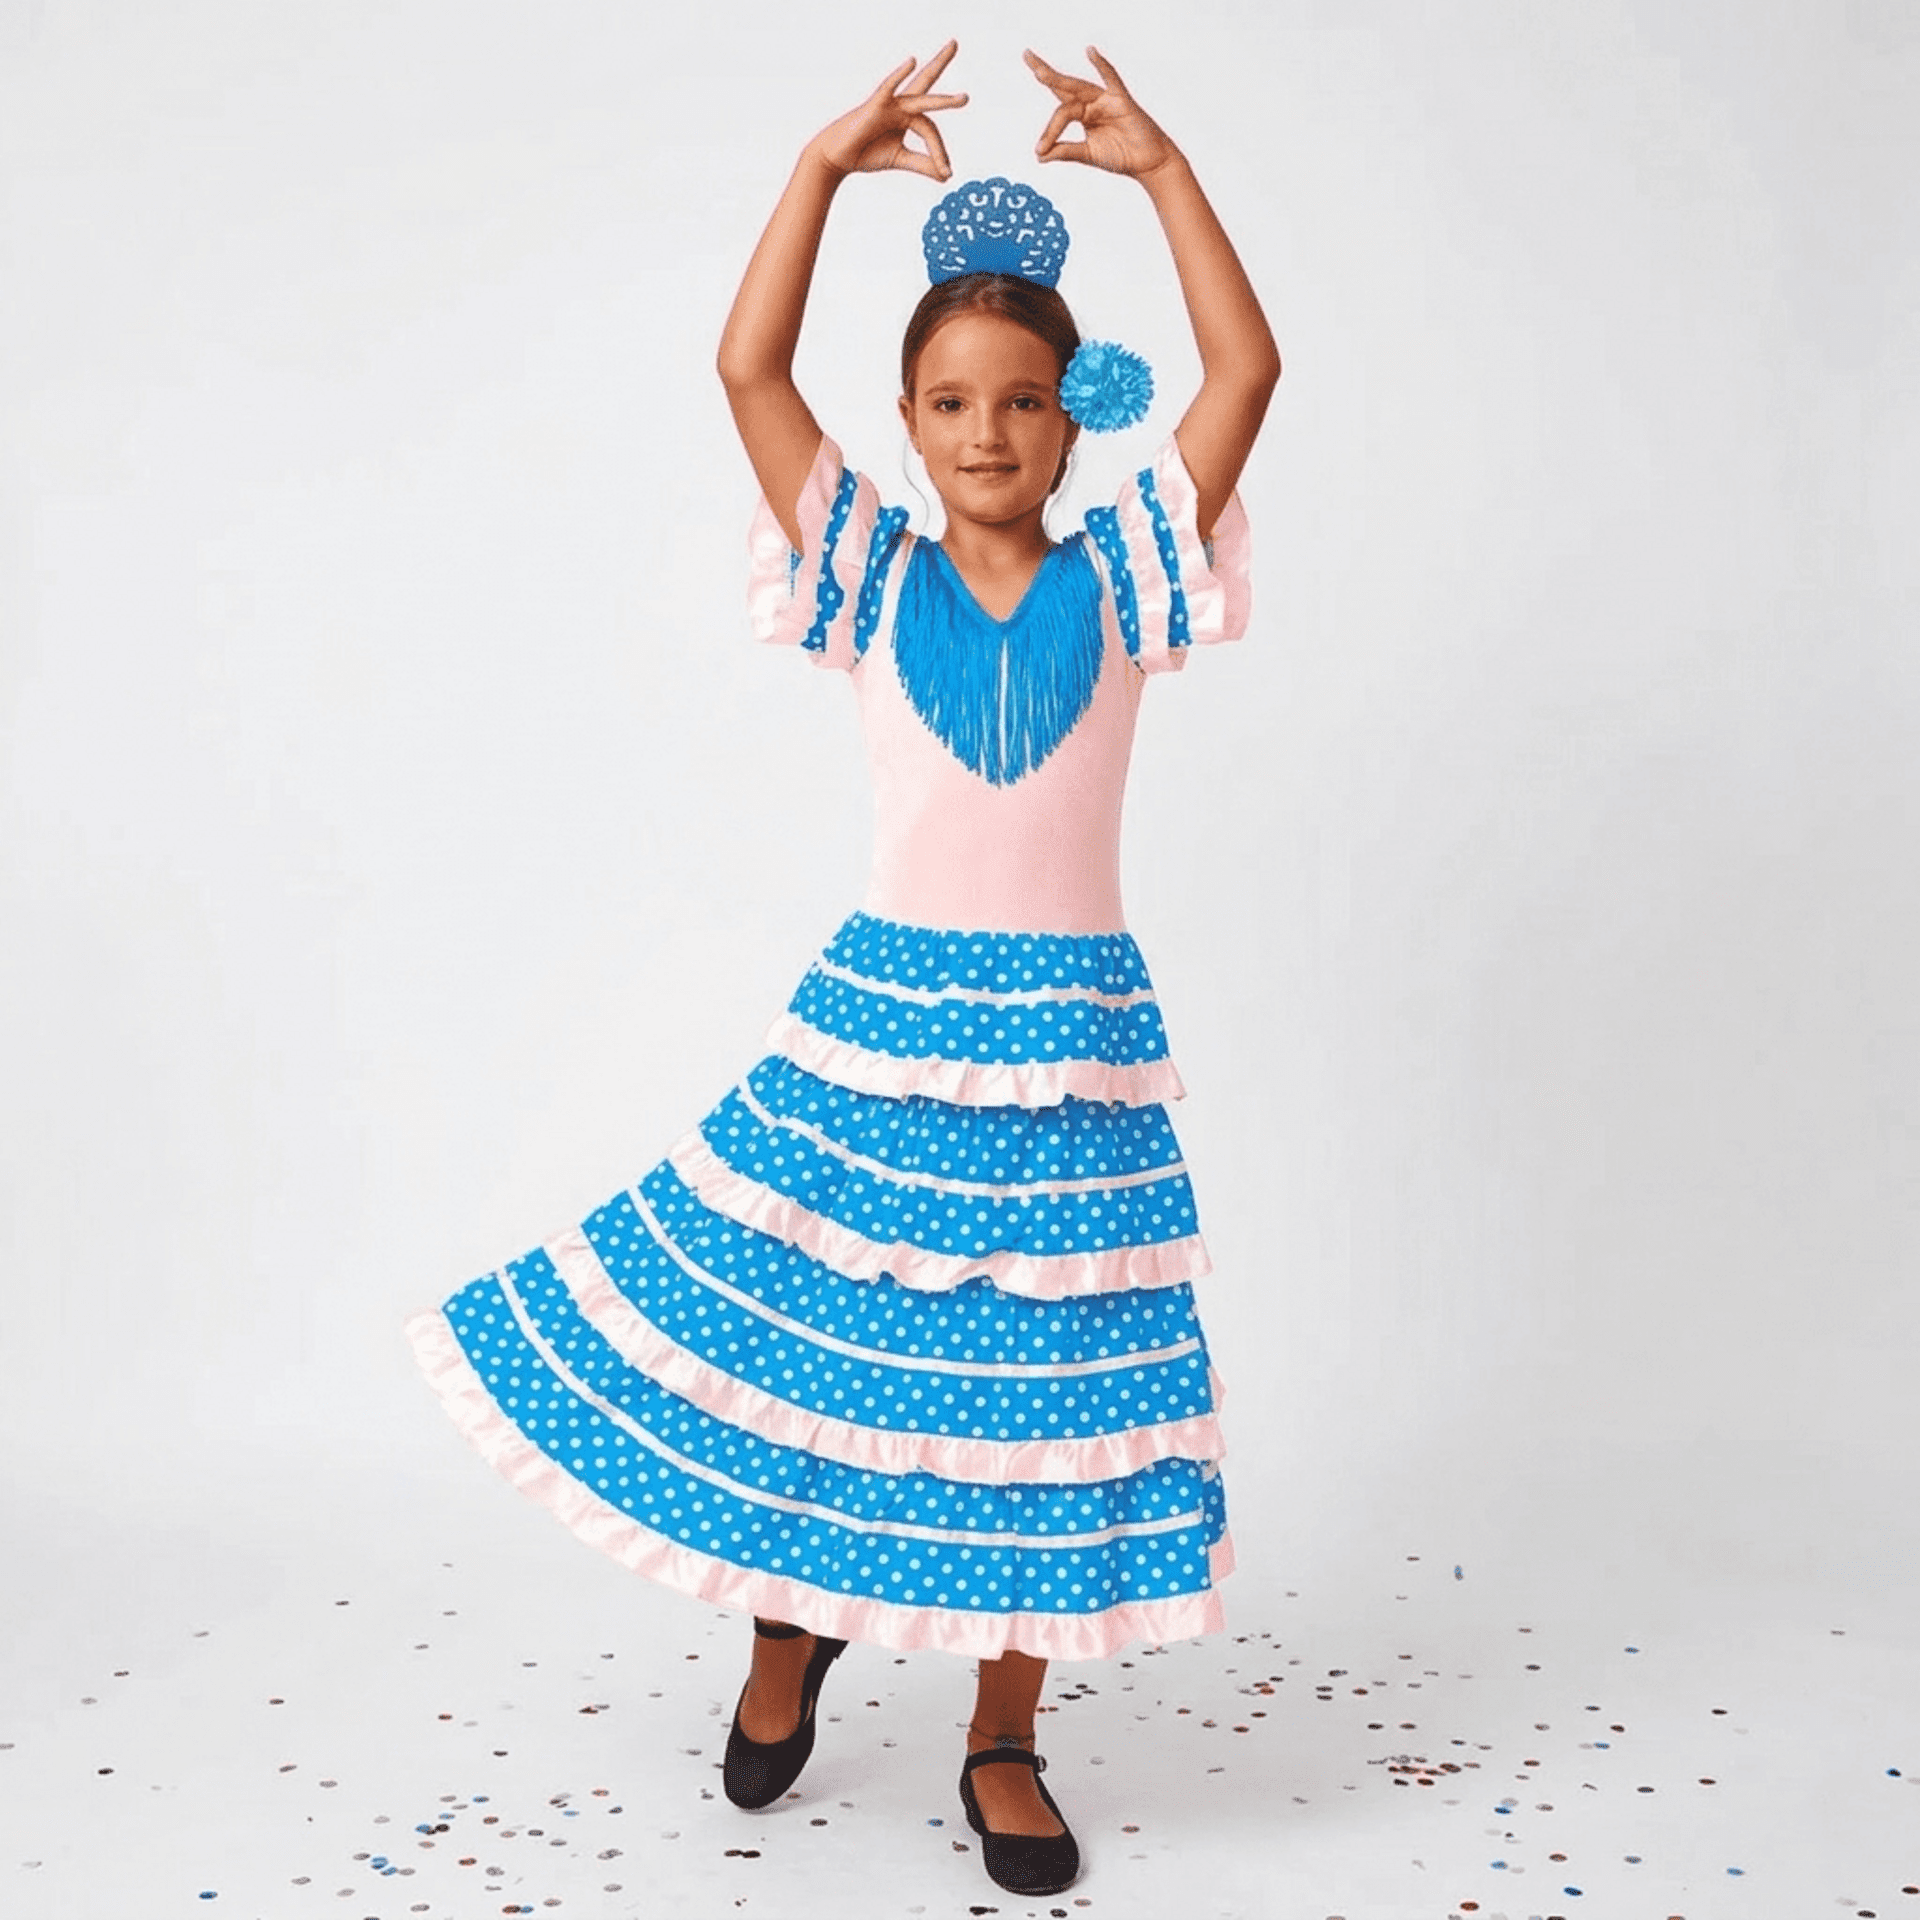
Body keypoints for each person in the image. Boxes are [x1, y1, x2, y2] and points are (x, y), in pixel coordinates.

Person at [405, 41, 1278, 1900]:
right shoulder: (865, 567)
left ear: (1071, 422)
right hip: (880, 1032)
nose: (986, 433)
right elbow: (743, 369)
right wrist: (816, 165)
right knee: (831, 1346)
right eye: (951, 400)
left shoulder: (1128, 571)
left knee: (1043, 1380)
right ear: (905, 416)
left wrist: (1168, 171)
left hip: (1067, 1046)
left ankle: (1005, 1731)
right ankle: (790, 1625)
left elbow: (1250, 374)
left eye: (1024, 403)